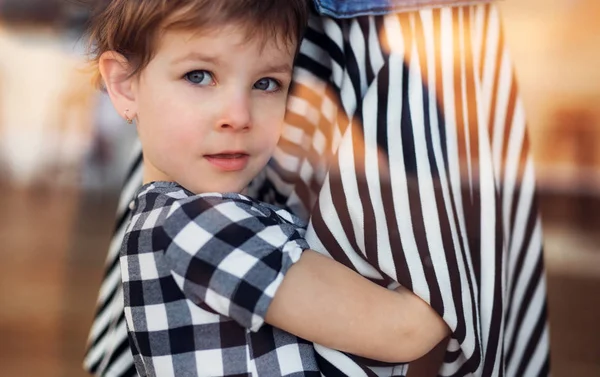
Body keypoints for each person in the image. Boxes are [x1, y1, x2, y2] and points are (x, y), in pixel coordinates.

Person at [85, 1, 551, 376]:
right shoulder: (201, 228)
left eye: (267, 83)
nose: (239, 114)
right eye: (199, 76)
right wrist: (473, 224)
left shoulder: (172, 220)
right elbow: (404, 333)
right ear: (124, 85)